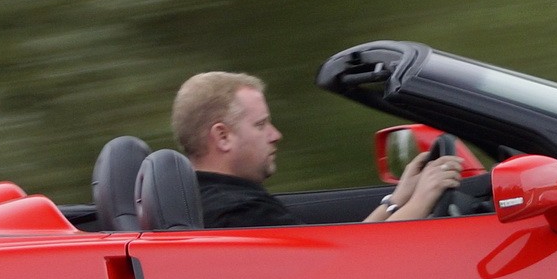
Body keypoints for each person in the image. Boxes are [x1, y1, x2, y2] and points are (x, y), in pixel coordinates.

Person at [172, 71, 464, 229]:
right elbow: (343, 270)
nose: (276, 135)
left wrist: (399, 199)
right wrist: (423, 199)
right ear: (222, 137)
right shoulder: (239, 214)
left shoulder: (207, 200)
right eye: (261, 125)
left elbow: (341, 251)